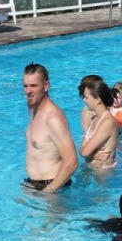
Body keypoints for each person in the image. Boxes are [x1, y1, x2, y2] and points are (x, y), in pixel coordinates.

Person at [22, 63, 78, 193]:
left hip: (52, 189)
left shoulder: (53, 118)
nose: (28, 91)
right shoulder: (35, 110)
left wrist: (48, 191)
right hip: (33, 185)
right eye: (25, 86)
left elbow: (71, 162)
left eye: (33, 86)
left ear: (46, 86)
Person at [78, 78, 119, 169]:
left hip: (102, 172)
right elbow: (82, 151)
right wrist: (94, 155)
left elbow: (84, 152)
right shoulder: (95, 118)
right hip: (90, 167)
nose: (84, 100)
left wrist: (88, 154)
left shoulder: (108, 122)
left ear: (98, 100)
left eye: (87, 97)